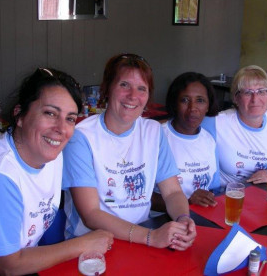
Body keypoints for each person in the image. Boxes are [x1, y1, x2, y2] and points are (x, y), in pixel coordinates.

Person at [0, 68, 114, 276]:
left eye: (70, 118)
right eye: (50, 113)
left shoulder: (52, 155)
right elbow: (9, 266)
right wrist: (83, 243)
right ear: (20, 115)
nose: (61, 129)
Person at [62, 53, 197, 251]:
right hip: (91, 245)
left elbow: (173, 192)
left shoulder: (153, 131)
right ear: (107, 88)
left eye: (141, 88)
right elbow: (91, 214)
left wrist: (183, 219)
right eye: (124, 85)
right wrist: (150, 237)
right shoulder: (81, 137)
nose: (133, 96)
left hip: (140, 238)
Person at [152, 72, 221, 210]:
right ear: (174, 103)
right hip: (163, 220)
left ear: (208, 105)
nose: (192, 108)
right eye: (185, 100)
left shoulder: (209, 140)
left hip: (200, 217)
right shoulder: (157, 136)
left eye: (200, 100)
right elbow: (144, 197)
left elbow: (212, 188)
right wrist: (187, 202)